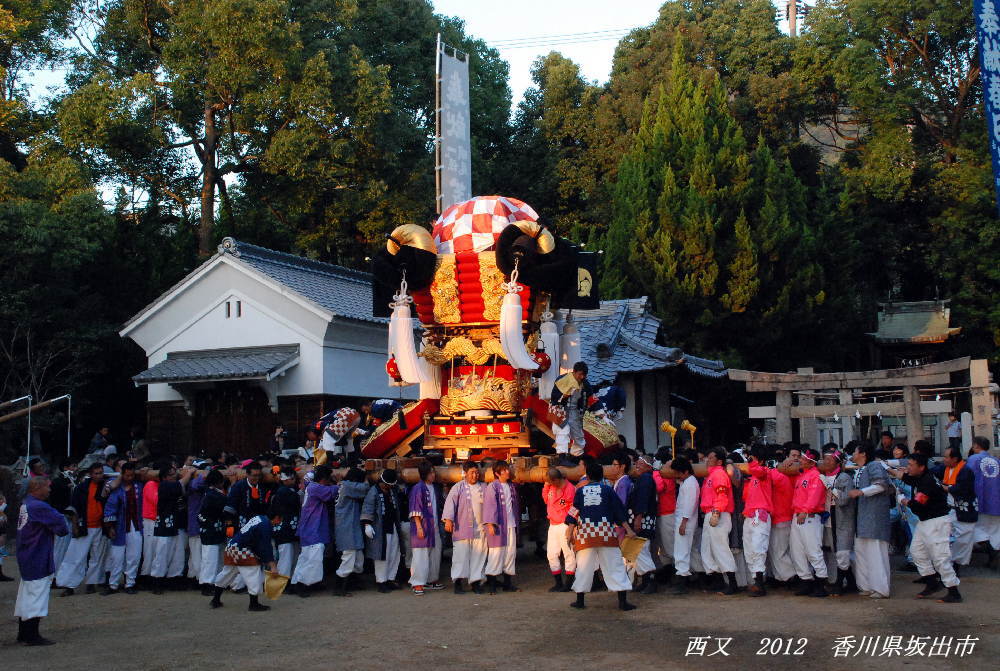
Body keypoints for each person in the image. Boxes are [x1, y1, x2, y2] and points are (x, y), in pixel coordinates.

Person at [565, 460, 637, 611]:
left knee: (583, 567)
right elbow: (618, 511)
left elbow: (574, 512)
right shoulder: (608, 490)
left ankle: (580, 601)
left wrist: (570, 531)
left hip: (586, 534)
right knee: (615, 566)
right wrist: (628, 530)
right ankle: (622, 602)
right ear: (602, 476)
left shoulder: (580, 491)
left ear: (588, 476)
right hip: (606, 533)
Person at [14, 477, 69, 646]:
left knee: (26, 594)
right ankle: (32, 635)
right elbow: (60, 523)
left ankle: (24, 633)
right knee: (37, 594)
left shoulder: (26, 504)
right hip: (37, 554)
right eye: (47, 486)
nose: (49, 490)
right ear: (37, 488)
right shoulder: (39, 506)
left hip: (26, 553)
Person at [900, 453, 962, 603]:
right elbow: (906, 477)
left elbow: (917, 505)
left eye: (911, 465)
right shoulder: (921, 476)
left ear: (921, 467)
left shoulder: (927, 481)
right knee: (917, 552)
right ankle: (931, 582)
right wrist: (887, 468)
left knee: (940, 557)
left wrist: (903, 500)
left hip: (937, 522)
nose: (908, 468)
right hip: (925, 521)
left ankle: (953, 592)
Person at [56, 462, 109, 596]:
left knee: (97, 557)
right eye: (96, 473)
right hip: (84, 526)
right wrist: (75, 526)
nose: (99, 475)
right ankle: (69, 585)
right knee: (75, 556)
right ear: (90, 474)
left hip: (100, 527)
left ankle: (92, 583)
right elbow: (74, 508)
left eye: (101, 473)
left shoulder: (106, 486)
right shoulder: (81, 488)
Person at [849, 441, 893, 599]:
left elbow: (881, 485)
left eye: (855, 451)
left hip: (874, 516)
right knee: (861, 552)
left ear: (863, 453)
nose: (853, 454)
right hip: (862, 517)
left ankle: (880, 588)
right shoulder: (861, 469)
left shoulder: (874, 466)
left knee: (876, 553)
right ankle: (866, 585)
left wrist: (861, 492)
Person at [210, 514, 278, 611]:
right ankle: (254, 604)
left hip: (232, 546)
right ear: (277, 517)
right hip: (243, 550)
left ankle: (215, 599)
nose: (278, 523)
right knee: (253, 573)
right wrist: (272, 565)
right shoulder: (265, 525)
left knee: (227, 573)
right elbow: (265, 546)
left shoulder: (259, 518)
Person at [290, 465, 338, 597]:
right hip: (313, 529)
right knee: (312, 559)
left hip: (310, 528)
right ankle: (302, 585)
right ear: (324, 479)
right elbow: (332, 492)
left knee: (306, 558)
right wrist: (339, 483)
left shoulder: (311, 486)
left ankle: (300, 583)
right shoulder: (315, 487)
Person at [442, 461, 488, 594]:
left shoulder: (484, 487)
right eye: (472, 473)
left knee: (479, 557)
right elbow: (450, 503)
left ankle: (476, 583)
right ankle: (458, 583)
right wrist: (448, 520)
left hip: (480, 529)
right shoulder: (458, 487)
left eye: (477, 473)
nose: (475, 475)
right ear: (465, 473)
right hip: (462, 528)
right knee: (460, 557)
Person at [788, 448, 828, 597]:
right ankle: (806, 580)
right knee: (797, 551)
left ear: (811, 462)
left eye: (804, 459)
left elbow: (814, 496)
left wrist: (805, 511)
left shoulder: (816, 476)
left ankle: (821, 583)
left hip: (809, 516)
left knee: (813, 551)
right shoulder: (802, 475)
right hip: (798, 515)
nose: (801, 460)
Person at [150, 462, 194, 594]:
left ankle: (174, 580)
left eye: (175, 473)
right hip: (165, 525)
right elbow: (179, 485)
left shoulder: (176, 484)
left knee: (178, 554)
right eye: (171, 474)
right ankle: (157, 581)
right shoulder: (164, 485)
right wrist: (189, 473)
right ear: (164, 477)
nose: (174, 476)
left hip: (178, 524)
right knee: (162, 554)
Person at [700, 447, 738, 595]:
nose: (707, 460)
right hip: (711, 513)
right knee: (708, 549)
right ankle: (718, 581)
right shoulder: (712, 475)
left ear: (719, 461)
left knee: (720, 548)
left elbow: (722, 495)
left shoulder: (719, 474)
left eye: (711, 458)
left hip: (718, 513)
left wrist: (716, 513)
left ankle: (732, 583)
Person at [102, 462, 144, 595]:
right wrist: (110, 527)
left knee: (134, 556)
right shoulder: (115, 487)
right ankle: (113, 584)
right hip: (119, 526)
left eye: (132, 475)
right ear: (122, 474)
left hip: (136, 525)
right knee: (116, 557)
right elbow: (109, 506)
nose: (129, 478)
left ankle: (130, 583)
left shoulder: (139, 486)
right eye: (127, 475)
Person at [362, 468, 403, 593]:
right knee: (381, 555)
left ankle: (390, 579)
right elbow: (367, 507)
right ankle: (381, 581)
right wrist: (367, 524)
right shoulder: (373, 491)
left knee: (394, 553)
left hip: (393, 525)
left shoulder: (392, 490)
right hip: (379, 528)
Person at [483, 460, 521, 594]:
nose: (507, 472)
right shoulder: (492, 486)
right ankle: (492, 585)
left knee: (510, 553)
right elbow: (489, 505)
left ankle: (507, 584)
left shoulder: (511, 486)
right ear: (497, 473)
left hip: (511, 524)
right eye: (504, 470)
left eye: (507, 469)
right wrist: (490, 524)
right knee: (496, 553)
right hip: (498, 525)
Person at [938, 446, 977, 570]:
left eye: (946, 457)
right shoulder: (945, 468)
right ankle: (948, 564)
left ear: (954, 459)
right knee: (946, 538)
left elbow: (962, 488)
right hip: (949, 509)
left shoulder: (965, 470)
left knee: (963, 538)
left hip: (963, 509)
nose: (944, 459)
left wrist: (946, 488)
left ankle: (956, 564)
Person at [408, 461, 444, 595]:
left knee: (435, 554)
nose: (433, 475)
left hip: (434, 526)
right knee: (420, 556)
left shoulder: (435, 487)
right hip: (422, 526)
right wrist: (419, 527)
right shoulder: (418, 488)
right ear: (424, 474)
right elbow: (415, 509)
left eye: (433, 472)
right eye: (431, 473)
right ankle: (417, 583)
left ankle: (431, 580)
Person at [333, 467, 369, 596]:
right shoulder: (347, 485)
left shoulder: (344, 485)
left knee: (358, 559)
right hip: (346, 526)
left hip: (350, 525)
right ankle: (339, 588)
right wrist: (367, 478)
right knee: (349, 556)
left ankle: (352, 582)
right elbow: (365, 488)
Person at [826, 449, 858, 595]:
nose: (826, 462)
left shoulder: (844, 477)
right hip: (831, 518)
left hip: (843, 518)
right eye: (825, 459)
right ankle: (851, 582)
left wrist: (831, 489)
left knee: (843, 551)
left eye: (829, 460)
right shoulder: (826, 476)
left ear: (838, 463)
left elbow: (845, 499)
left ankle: (839, 583)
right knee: (837, 551)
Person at [744, 445, 774, 596]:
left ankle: (760, 583)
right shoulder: (753, 476)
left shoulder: (765, 472)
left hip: (760, 514)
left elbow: (758, 471)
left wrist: (751, 463)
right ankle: (755, 580)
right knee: (749, 548)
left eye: (753, 457)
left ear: (760, 460)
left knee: (758, 547)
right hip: (750, 514)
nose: (749, 460)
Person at [542, 467, 577, 591]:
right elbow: (545, 499)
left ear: (556, 480)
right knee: (551, 554)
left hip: (565, 525)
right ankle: (558, 583)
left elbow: (574, 509)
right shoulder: (551, 486)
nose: (548, 483)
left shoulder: (570, 489)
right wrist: (546, 486)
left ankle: (568, 583)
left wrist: (572, 527)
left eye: (549, 481)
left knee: (569, 553)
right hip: (553, 524)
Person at [967, 437, 1000, 565]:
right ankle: (994, 555)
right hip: (996, 499)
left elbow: (968, 478)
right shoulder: (996, 460)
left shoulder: (973, 459)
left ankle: (990, 551)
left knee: (976, 528)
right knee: (995, 530)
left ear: (976, 446)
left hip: (980, 499)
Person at [628, 455, 659, 594]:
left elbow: (642, 500)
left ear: (649, 466)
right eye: (637, 464)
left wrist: (638, 518)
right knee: (639, 550)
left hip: (643, 520)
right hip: (642, 519)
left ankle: (651, 581)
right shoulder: (643, 478)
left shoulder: (646, 478)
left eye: (641, 464)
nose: (637, 466)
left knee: (641, 550)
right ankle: (645, 581)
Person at [550, 362, 592, 459]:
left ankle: (576, 456)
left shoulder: (585, 383)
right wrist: (563, 396)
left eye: (584, 375)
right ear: (574, 372)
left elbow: (590, 397)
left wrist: (599, 411)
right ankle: (561, 457)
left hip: (574, 410)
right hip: (560, 409)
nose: (582, 377)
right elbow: (554, 397)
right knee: (562, 431)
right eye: (580, 374)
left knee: (578, 434)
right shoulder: (562, 379)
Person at [669, 457, 699, 594]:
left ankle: (682, 580)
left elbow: (689, 505)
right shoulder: (687, 482)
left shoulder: (690, 483)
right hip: (684, 520)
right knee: (684, 550)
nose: (677, 476)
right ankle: (685, 577)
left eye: (678, 473)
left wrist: (683, 523)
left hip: (685, 521)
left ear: (686, 471)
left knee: (682, 550)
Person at [197, 469, 229, 596]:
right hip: (211, 530)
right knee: (210, 559)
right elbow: (226, 504)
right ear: (219, 482)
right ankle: (207, 584)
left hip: (210, 529)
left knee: (210, 558)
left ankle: (211, 583)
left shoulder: (209, 493)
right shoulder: (214, 495)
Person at [269, 467, 301, 579]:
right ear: (287, 479)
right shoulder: (285, 492)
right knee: (286, 558)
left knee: (289, 557)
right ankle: (283, 582)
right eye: (293, 478)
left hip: (287, 529)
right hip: (285, 529)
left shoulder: (280, 491)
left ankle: (288, 581)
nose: (295, 480)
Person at [651, 451, 677, 580]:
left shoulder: (667, 473)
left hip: (668, 513)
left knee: (670, 546)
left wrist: (656, 472)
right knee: (664, 546)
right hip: (662, 513)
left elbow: (659, 487)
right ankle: (668, 574)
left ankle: (678, 575)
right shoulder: (664, 473)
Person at [224, 461, 273, 528]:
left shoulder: (263, 486)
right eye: (255, 475)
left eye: (259, 475)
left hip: (260, 522)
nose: (257, 478)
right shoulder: (239, 486)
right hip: (242, 523)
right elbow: (231, 506)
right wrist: (229, 525)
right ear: (247, 474)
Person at [139, 471, 159, 583]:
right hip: (150, 520)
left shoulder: (158, 484)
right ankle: (146, 575)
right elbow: (157, 501)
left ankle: (153, 576)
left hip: (156, 520)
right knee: (149, 550)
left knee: (155, 550)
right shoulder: (150, 484)